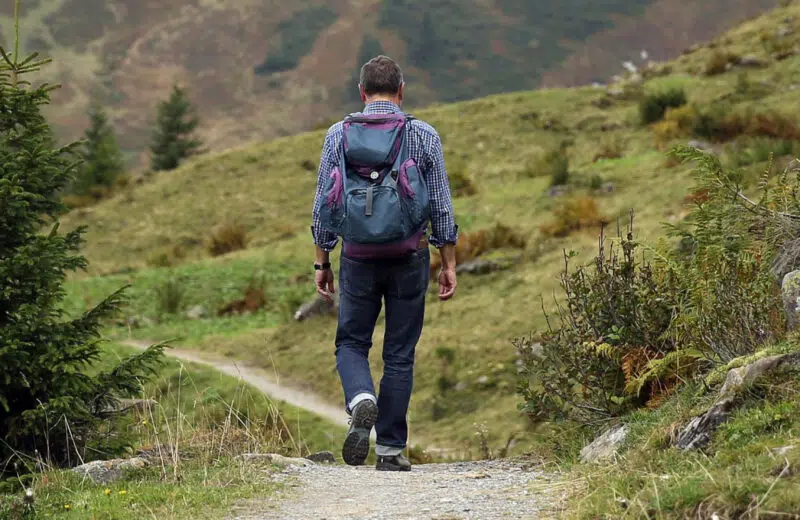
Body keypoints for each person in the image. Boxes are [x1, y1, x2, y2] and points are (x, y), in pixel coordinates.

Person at [310, 55, 458, 472]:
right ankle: (391, 449)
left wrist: (322, 261)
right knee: (399, 353)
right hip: (409, 256)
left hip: (357, 256)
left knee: (352, 342)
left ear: (361, 92)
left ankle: (361, 398)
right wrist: (447, 261)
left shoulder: (337, 135)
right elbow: (442, 205)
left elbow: (324, 203)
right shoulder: (423, 135)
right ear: (401, 90)